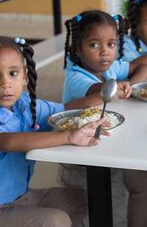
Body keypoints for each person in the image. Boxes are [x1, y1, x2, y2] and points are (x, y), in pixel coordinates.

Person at [61, 10, 147, 227]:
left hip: (104, 147)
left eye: (111, 44)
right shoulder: (76, 77)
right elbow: (103, 90)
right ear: (77, 47)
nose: (105, 52)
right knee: (88, 212)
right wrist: (121, 86)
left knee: (115, 206)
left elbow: (145, 67)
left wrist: (130, 84)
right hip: (80, 158)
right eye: (94, 45)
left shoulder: (110, 67)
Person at [0, 36, 109, 227]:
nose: (5, 84)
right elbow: (8, 141)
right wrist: (67, 137)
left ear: (25, 76)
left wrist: (101, 104)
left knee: (86, 199)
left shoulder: (26, 105)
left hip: (22, 198)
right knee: (55, 221)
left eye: (13, 73)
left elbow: (66, 108)